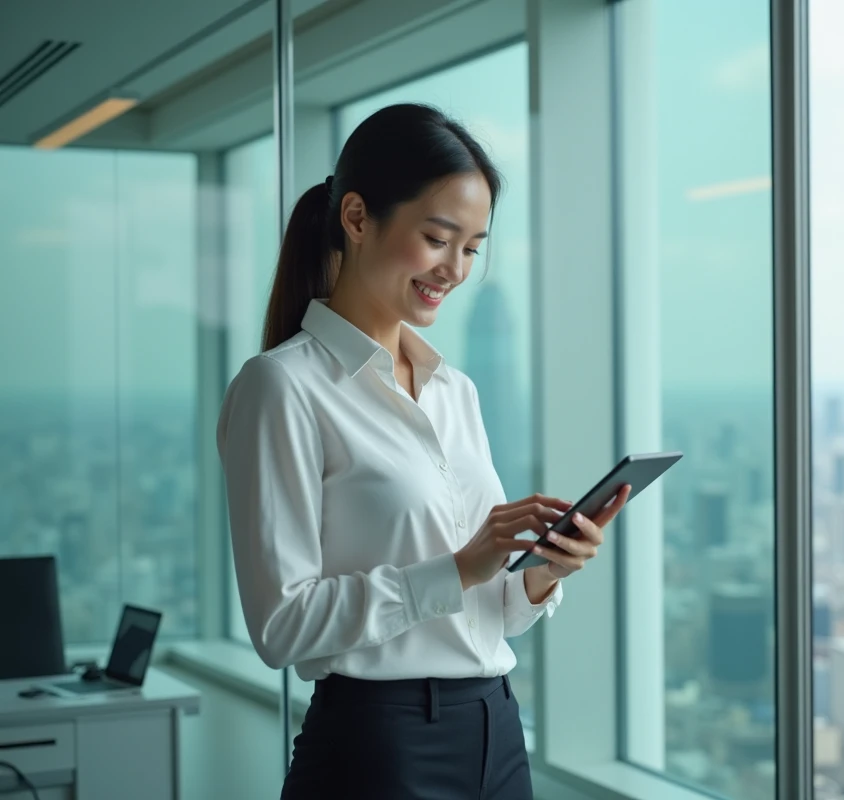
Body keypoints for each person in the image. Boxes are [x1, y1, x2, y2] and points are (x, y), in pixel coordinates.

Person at [216, 103, 630, 800]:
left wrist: (540, 572)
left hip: (496, 730)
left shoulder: (454, 391)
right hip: (377, 748)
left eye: (472, 247)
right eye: (438, 238)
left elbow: (484, 609)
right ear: (355, 218)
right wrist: (458, 565)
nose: (455, 269)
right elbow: (282, 628)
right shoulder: (281, 388)